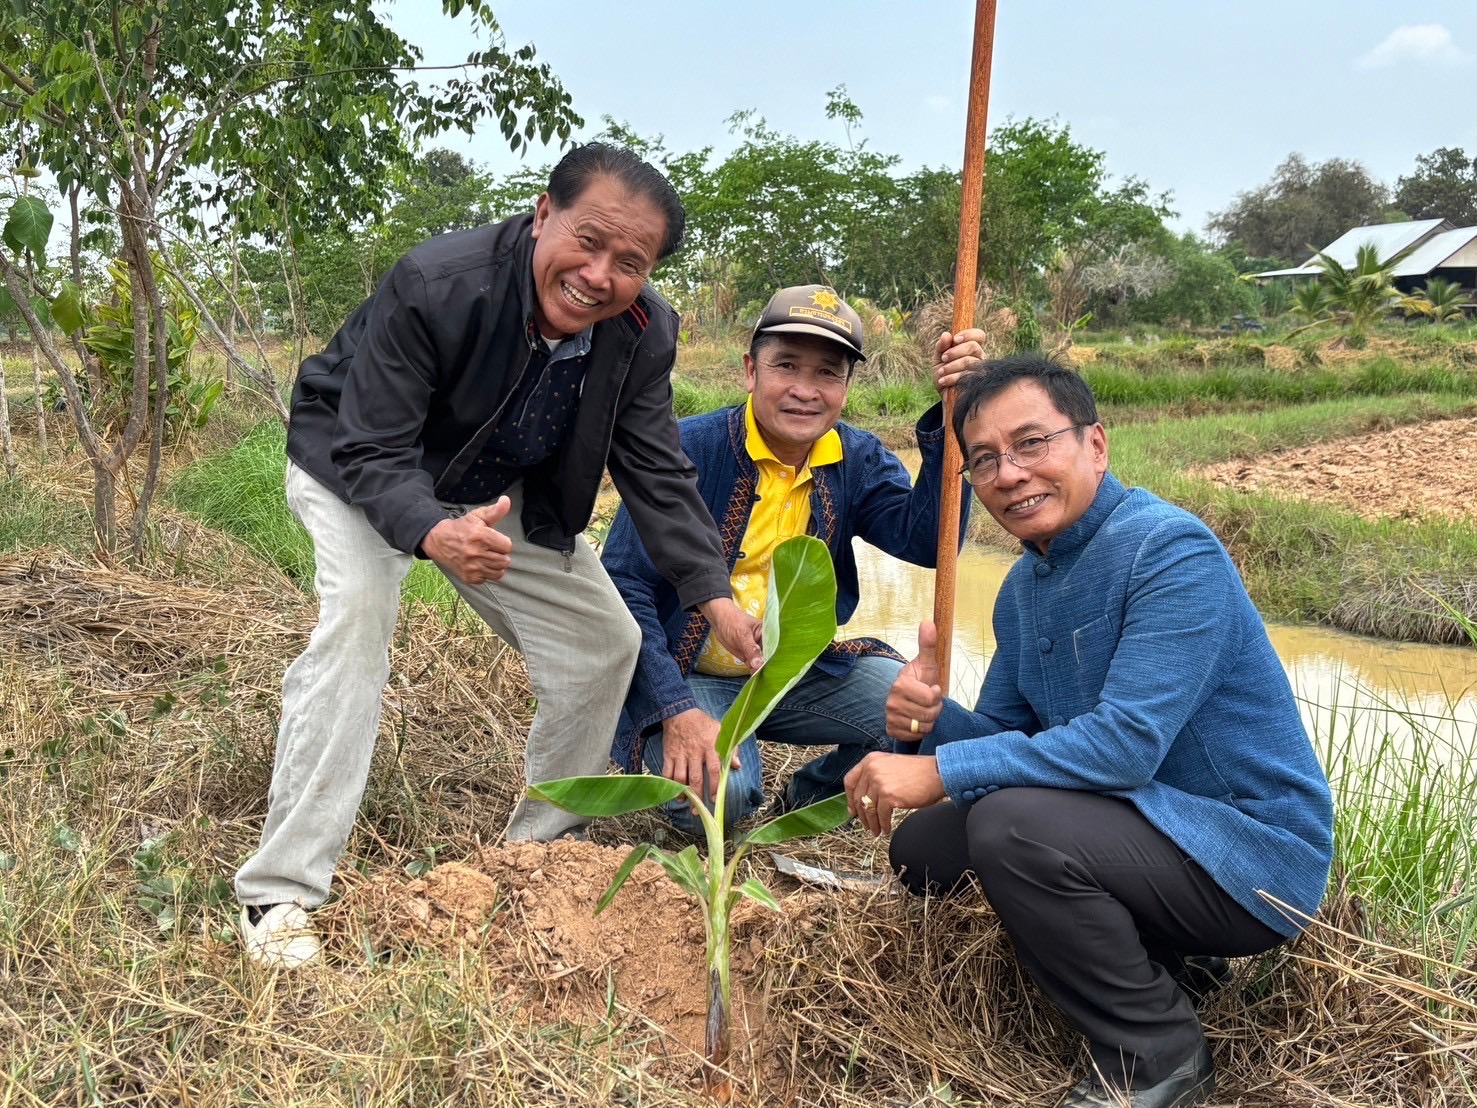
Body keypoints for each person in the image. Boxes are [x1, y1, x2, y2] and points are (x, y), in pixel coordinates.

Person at [235, 144, 763, 968]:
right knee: (356, 628)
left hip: (495, 487)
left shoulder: (641, 331)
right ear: (541, 213)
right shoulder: (438, 282)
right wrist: (431, 532)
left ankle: (538, 861)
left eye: (631, 262)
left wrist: (711, 593)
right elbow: (371, 446)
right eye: (587, 241)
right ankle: (282, 889)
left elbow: (654, 468)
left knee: (608, 643)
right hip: (354, 464)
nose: (599, 275)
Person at [843, 354, 1334, 1107]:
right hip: (1135, 825)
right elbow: (1005, 732)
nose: (1008, 474)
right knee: (925, 849)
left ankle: (1158, 1055)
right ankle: (1169, 961)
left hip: (1245, 855)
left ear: (1095, 446)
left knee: (1010, 826)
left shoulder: (1168, 549)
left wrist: (940, 772)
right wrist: (932, 720)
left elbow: (1123, 746)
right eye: (983, 460)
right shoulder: (1020, 586)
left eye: (1031, 443)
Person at [603, 285, 977, 833]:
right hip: (693, 675)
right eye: (786, 366)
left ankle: (809, 798)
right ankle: (698, 769)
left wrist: (955, 418)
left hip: (798, 671)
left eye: (828, 372)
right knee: (720, 798)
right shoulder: (685, 450)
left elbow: (925, 542)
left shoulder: (857, 457)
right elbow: (624, 585)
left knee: (923, 725)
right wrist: (674, 710)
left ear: (847, 387)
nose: (805, 390)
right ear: (750, 370)